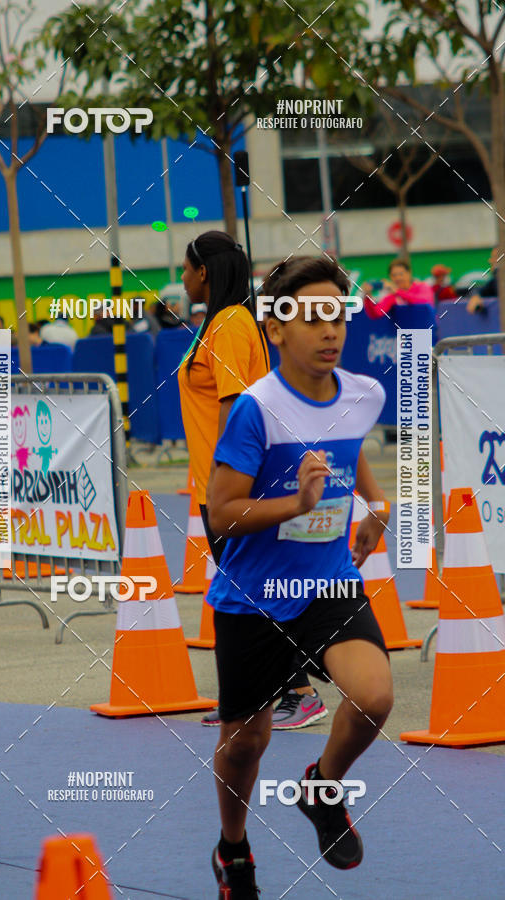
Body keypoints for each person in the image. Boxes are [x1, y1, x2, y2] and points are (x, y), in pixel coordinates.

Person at [206, 255, 393, 896]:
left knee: (373, 697)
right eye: (310, 317)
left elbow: (349, 447)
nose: (329, 329)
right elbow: (222, 514)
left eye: (336, 315)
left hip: (327, 581)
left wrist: (373, 506)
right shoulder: (255, 410)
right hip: (253, 597)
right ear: (277, 331)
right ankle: (233, 849)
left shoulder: (362, 394)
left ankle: (322, 788)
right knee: (245, 744)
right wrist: (297, 504)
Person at [178, 231, 327, 731]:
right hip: (214, 483)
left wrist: (226, 486)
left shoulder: (229, 325)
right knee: (243, 589)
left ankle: (301, 692)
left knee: (252, 589)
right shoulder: (222, 323)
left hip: (233, 487)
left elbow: (233, 409)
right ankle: (251, 699)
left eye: (185, 269)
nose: (181, 278)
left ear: (204, 272)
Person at [362, 258, 433, 319]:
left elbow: (424, 301)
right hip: (405, 333)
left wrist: (398, 292)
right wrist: (368, 296)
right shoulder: (392, 297)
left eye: (401, 274)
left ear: (409, 273)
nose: (398, 278)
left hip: (428, 331)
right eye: (394, 275)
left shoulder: (422, 287)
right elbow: (376, 314)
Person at [466, 247, 501, 314]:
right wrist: (475, 296)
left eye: (494, 258)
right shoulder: (496, 281)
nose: (489, 261)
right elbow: (480, 289)